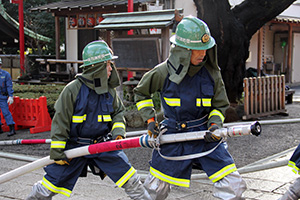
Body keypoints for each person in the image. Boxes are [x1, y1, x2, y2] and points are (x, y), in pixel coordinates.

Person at [133, 16, 246, 200]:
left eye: (205, 48)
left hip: (205, 135)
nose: (203, 53)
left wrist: (215, 125)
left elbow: (220, 104)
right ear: (184, 50)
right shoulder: (163, 72)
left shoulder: (212, 74)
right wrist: (150, 120)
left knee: (233, 185)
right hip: (172, 135)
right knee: (154, 190)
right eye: (198, 49)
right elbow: (141, 93)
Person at [26, 40, 151, 200]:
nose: (111, 69)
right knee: (49, 186)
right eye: (108, 64)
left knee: (131, 180)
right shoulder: (72, 90)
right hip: (74, 147)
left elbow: (118, 112)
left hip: (102, 145)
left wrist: (118, 132)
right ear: (97, 67)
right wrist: (57, 151)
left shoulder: (109, 92)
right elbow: (60, 122)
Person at [0, 58, 16, 137]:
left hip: (2, 96)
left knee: (6, 112)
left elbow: (9, 86)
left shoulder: (5, 74)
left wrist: (10, 96)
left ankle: (12, 128)